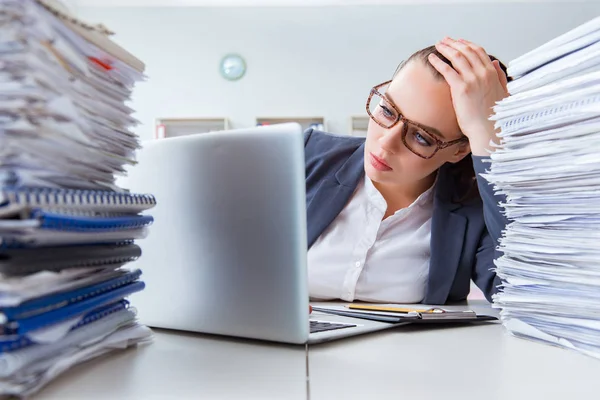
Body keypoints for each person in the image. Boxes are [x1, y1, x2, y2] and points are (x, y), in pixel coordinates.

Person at [305, 37, 510, 305]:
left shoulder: (477, 209)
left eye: (422, 137)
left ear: (460, 150)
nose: (386, 142)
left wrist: (487, 138)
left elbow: (523, 294)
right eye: (388, 111)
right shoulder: (304, 153)